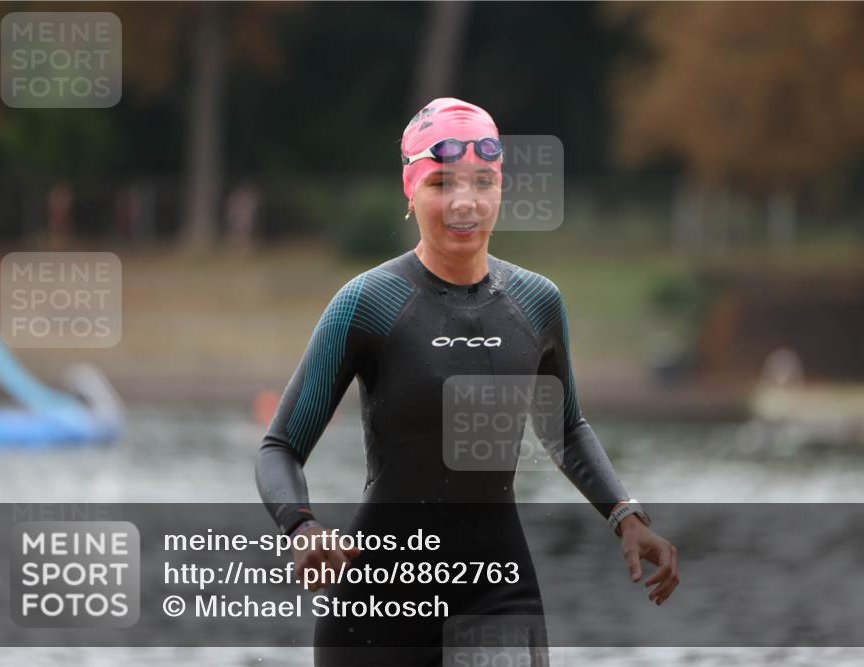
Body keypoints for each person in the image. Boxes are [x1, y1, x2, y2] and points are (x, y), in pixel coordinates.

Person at [255, 97, 679, 666]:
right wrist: (301, 528)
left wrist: (624, 514)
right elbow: (280, 447)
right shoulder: (367, 303)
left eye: (483, 182)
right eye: (442, 183)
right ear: (410, 192)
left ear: (501, 189)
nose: (465, 202)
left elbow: (565, 429)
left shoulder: (536, 302)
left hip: (497, 596)